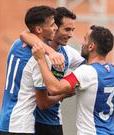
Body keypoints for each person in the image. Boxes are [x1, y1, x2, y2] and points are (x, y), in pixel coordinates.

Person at [32, 25, 114, 135]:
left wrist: (41, 59)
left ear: (91, 46)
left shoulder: (86, 71)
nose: (82, 43)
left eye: (85, 40)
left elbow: (54, 88)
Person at [0, 5, 68, 135]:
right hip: (21, 125)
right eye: (52, 25)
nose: (56, 28)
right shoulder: (40, 58)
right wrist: (64, 94)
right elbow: (43, 103)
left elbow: (24, 34)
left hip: (3, 123)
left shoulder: (16, 44)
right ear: (39, 29)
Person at [20, 7, 85, 135]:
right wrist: (64, 93)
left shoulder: (69, 53)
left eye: (72, 30)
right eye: (67, 29)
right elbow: (24, 34)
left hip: (54, 122)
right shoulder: (36, 48)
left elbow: (90, 68)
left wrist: (71, 84)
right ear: (54, 27)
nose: (71, 34)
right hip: (31, 121)